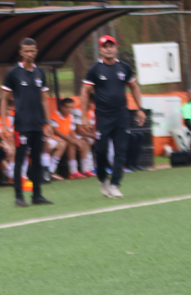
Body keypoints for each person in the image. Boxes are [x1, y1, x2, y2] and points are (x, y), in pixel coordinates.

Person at [79, 35, 145, 199]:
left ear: (116, 48)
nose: (108, 48)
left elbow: (134, 87)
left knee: (121, 150)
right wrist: (84, 117)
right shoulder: (95, 69)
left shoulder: (124, 68)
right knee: (100, 150)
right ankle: (103, 179)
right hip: (102, 116)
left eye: (111, 46)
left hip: (121, 114)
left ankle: (115, 184)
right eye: (105, 46)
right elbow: (85, 92)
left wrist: (140, 108)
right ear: (101, 50)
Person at [1, 37, 53, 207]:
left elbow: (44, 100)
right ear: (21, 53)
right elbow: (4, 99)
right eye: (27, 52)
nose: (30, 54)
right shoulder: (14, 73)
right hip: (22, 125)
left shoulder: (40, 73)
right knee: (20, 160)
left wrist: (48, 122)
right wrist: (3, 124)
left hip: (38, 124)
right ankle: (19, 197)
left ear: (36, 52)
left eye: (32, 51)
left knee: (37, 160)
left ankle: (37, 195)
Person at [51, 98, 94, 179]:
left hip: (66, 138)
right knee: (71, 144)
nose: (70, 110)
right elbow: (56, 131)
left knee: (83, 143)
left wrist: (76, 140)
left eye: (71, 107)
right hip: (58, 139)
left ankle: (85, 169)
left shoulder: (70, 116)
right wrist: (71, 140)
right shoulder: (55, 115)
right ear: (62, 107)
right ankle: (73, 171)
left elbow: (71, 131)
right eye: (67, 107)